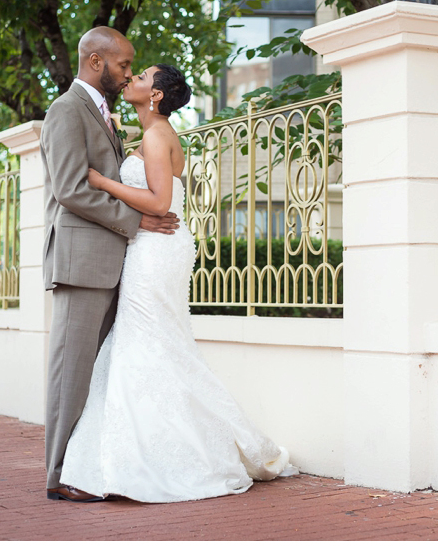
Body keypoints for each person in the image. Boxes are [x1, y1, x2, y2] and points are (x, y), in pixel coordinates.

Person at [58, 63, 297, 502]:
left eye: (143, 76)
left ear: (157, 96)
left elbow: (159, 201)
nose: (132, 79)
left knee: (143, 343)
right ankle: (142, 454)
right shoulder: (155, 131)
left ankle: (123, 465)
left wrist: (99, 180)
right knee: (161, 344)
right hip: (158, 247)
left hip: (155, 249)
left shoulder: (155, 136)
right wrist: (114, 127)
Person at [41, 27, 179, 503]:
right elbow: (71, 189)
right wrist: (137, 220)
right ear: (97, 62)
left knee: (101, 375)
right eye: (123, 65)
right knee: (72, 372)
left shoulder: (105, 113)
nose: (127, 74)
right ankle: (58, 476)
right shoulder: (65, 111)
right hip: (82, 262)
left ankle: (90, 469)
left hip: (118, 263)